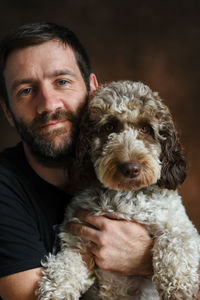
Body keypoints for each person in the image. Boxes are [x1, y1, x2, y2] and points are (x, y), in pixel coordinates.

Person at [0, 22, 162, 300]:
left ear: (93, 88)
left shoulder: (132, 166)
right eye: (26, 91)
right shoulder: (5, 189)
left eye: (62, 82)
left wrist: (147, 260)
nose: (49, 104)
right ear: (8, 113)